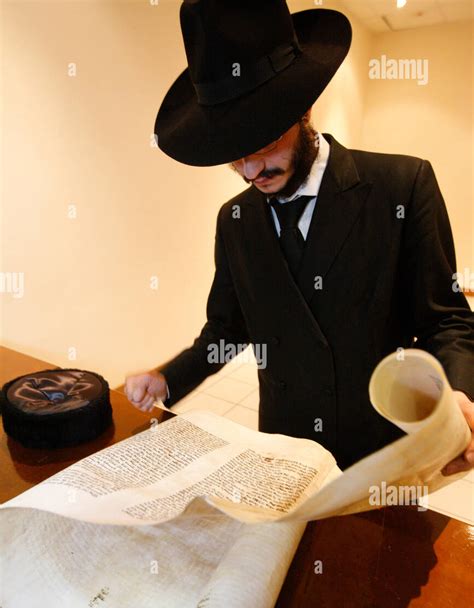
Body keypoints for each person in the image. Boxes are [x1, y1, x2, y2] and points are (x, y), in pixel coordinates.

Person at [125, 0, 473, 474]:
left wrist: (458, 398)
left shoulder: (402, 186)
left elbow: (446, 323)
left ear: (303, 109)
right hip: (283, 450)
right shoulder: (235, 221)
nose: (250, 172)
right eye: (233, 156)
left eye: (263, 144)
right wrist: (168, 377)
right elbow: (228, 330)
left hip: (381, 451)